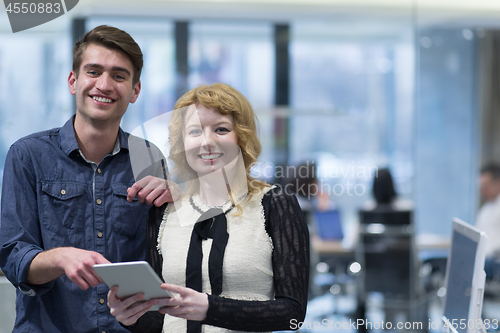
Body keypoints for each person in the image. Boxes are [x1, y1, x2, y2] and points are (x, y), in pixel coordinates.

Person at [0, 25, 172, 333]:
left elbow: (170, 258)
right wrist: (60, 258)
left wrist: (180, 199)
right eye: (93, 72)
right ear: (73, 80)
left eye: (119, 76)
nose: (104, 85)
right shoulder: (28, 155)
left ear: (135, 91)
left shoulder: (149, 157)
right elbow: (12, 257)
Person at [107, 83, 310, 332]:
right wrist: (129, 316)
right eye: (194, 131)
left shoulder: (275, 203)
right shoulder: (164, 210)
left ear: (242, 137)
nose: (207, 142)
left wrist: (209, 309)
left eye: (221, 129)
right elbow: (159, 319)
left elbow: (292, 313)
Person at [475, 163, 500, 277]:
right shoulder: (485, 209)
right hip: (482, 257)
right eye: (481, 187)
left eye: (486, 186)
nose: (483, 190)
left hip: (493, 261)